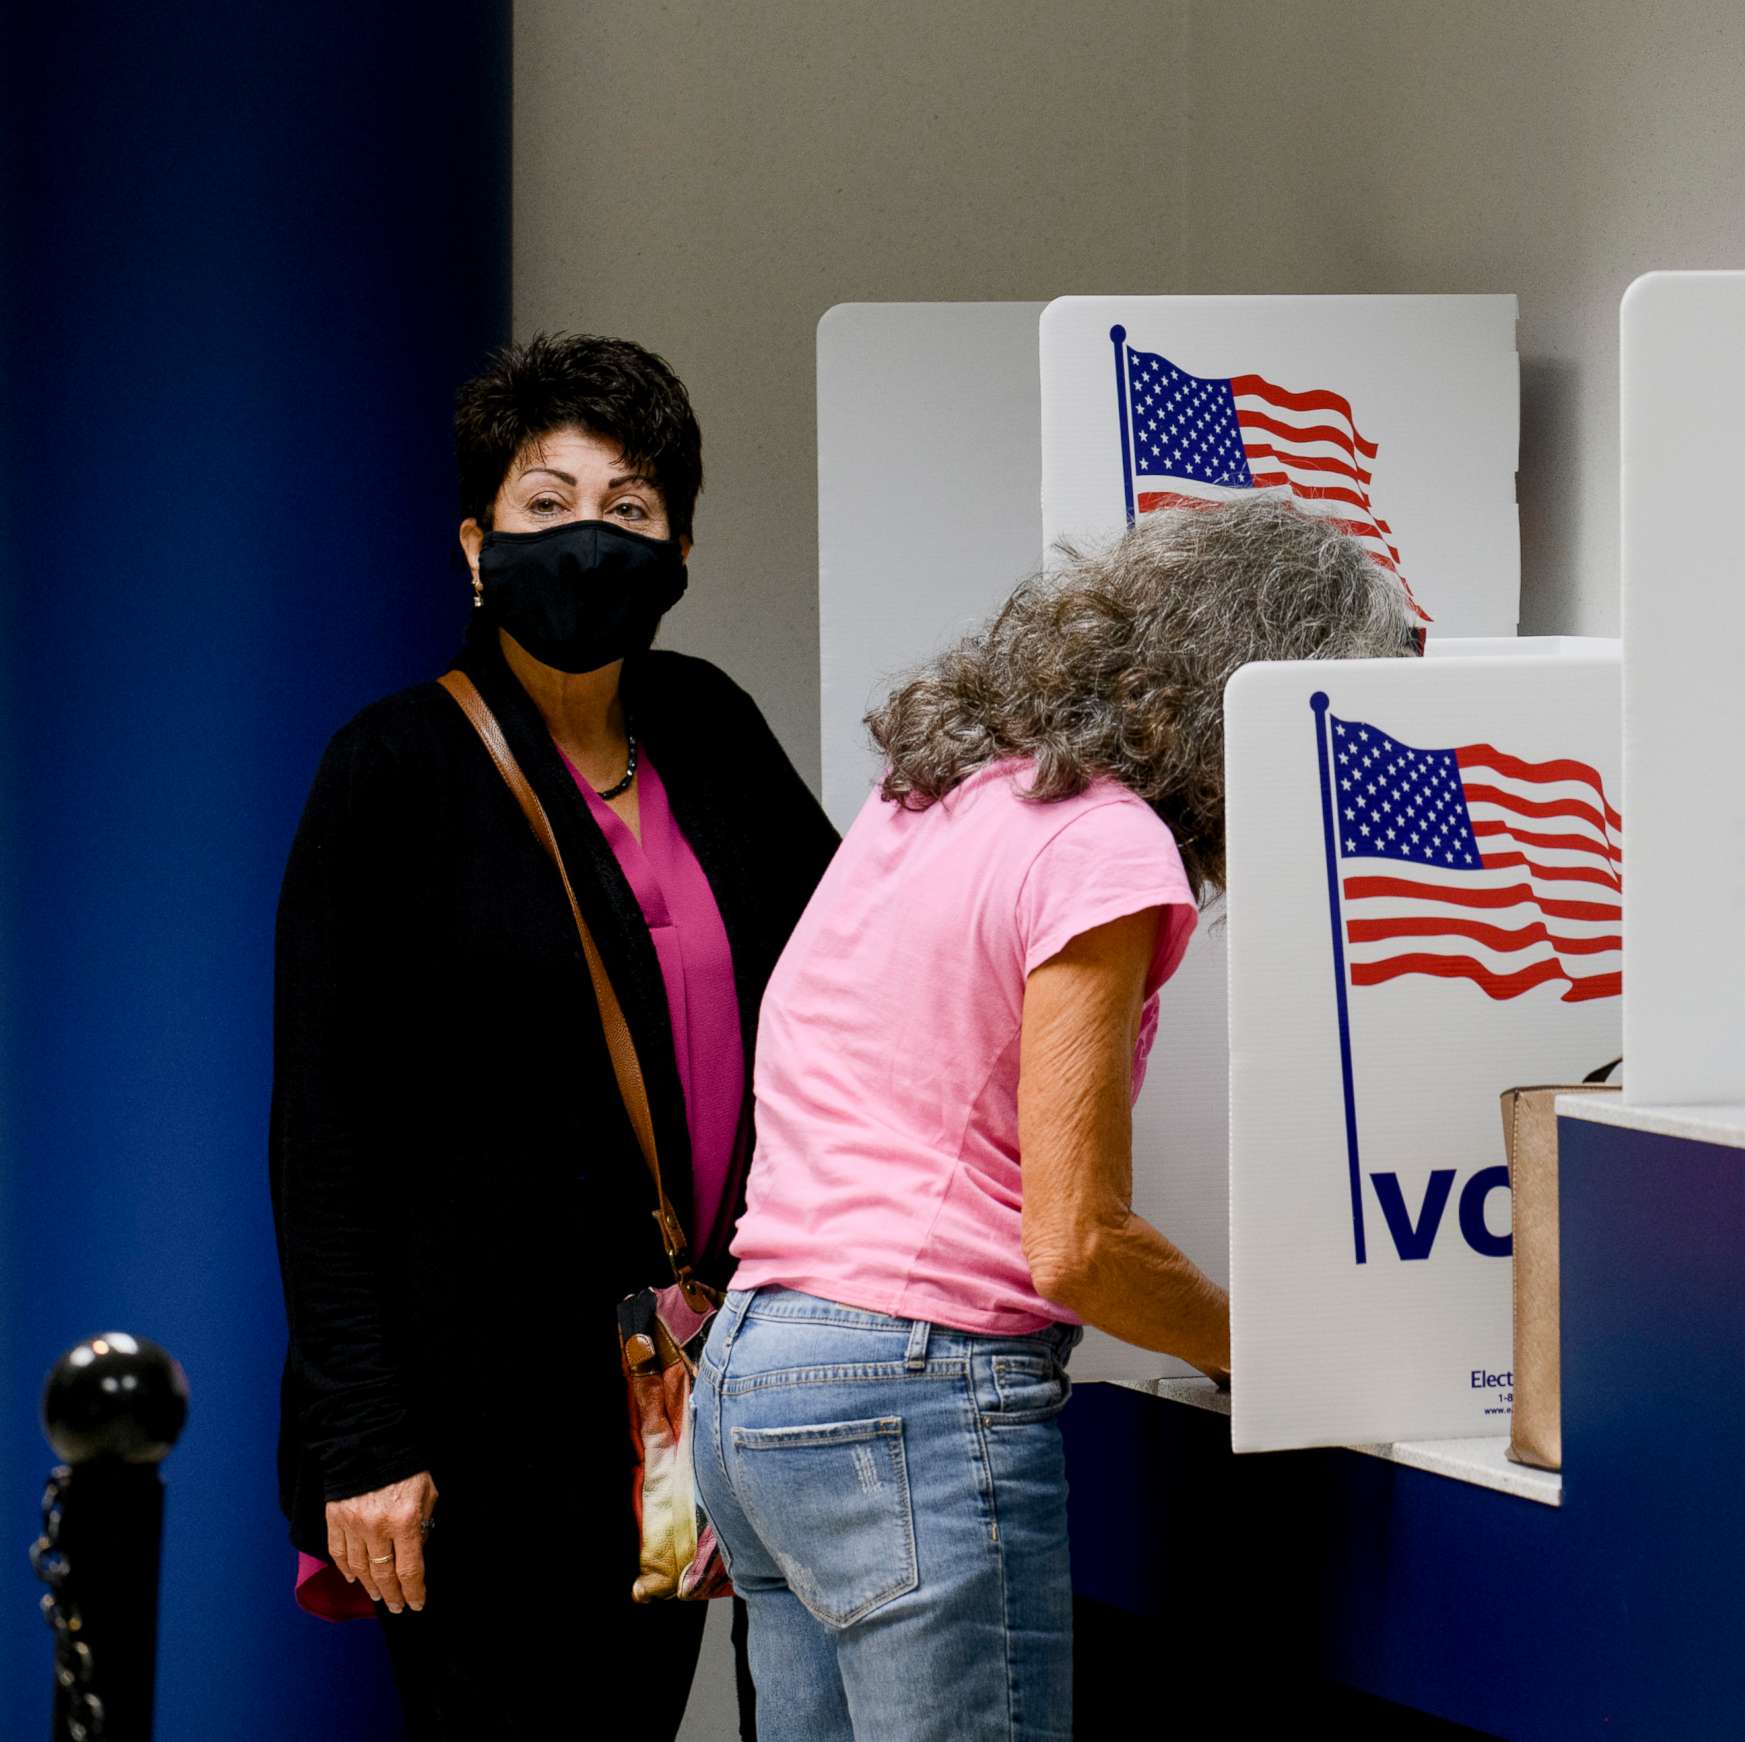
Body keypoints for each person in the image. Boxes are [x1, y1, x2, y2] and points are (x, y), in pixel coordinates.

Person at [693, 498, 1419, 1738]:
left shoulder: (935, 792)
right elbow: (1076, 1239)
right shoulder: (1107, 842)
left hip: (758, 1377)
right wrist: (1280, 1355)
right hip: (913, 1393)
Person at [268, 332, 840, 1737]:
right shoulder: (392, 768)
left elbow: (847, 978)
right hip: (467, 1424)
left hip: (677, 1393)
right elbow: (321, 1132)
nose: (589, 536)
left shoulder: (709, 725)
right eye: (547, 503)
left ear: (682, 548)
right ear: (477, 546)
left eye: (630, 508)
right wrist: (364, 1441)